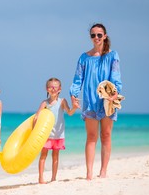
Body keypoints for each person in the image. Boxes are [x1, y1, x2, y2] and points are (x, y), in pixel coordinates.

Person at [70, 23, 122, 180]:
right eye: (93, 35)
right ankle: (89, 173)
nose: (96, 38)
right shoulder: (84, 57)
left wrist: (114, 94)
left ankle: (104, 171)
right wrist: (73, 94)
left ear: (105, 36)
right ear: (90, 37)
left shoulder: (113, 56)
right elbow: (78, 79)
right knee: (91, 136)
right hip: (90, 101)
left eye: (99, 35)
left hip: (108, 100)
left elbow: (116, 77)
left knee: (106, 135)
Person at [33, 78, 77, 184]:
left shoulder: (62, 101)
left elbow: (70, 113)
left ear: (60, 89)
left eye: (55, 87)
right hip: (46, 135)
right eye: (50, 87)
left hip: (58, 134)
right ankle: (41, 178)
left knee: (55, 156)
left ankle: (53, 178)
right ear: (46, 89)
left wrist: (74, 107)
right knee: (43, 155)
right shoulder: (45, 103)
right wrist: (35, 131)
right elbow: (37, 116)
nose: (53, 89)